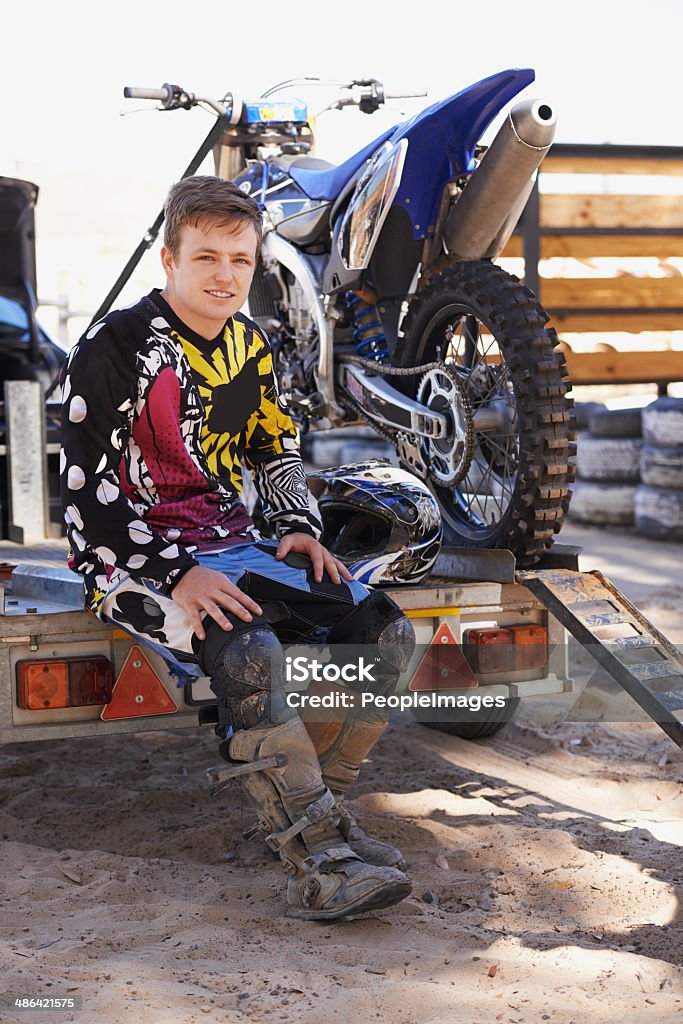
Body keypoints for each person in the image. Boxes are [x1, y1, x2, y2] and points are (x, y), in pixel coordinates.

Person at [60, 175, 415, 920]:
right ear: (169, 259)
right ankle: (317, 861)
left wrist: (296, 525)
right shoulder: (115, 345)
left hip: (234, 542)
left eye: (240, 260)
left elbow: (274, 444)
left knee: (384, 631)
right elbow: (83, 491)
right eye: (207, 258)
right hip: (132, 558)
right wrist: (175, 573)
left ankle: (326, 818)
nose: (225, 276)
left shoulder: (249, 344)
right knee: (249, 654)